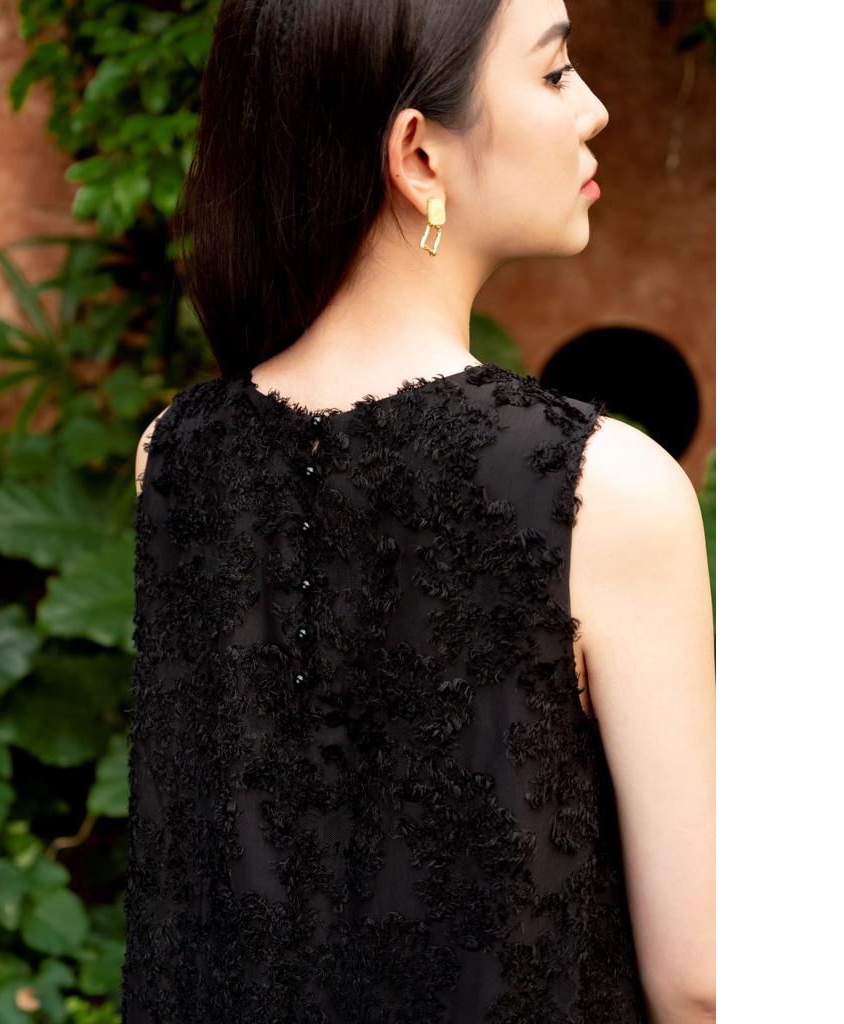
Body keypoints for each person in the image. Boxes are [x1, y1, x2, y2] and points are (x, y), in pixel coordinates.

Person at [125, 0, 715, 1022]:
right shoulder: (604, 490)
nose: (595, 109)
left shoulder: (174, 456)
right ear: (419, 156)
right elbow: (703, 982)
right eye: (554, 73)